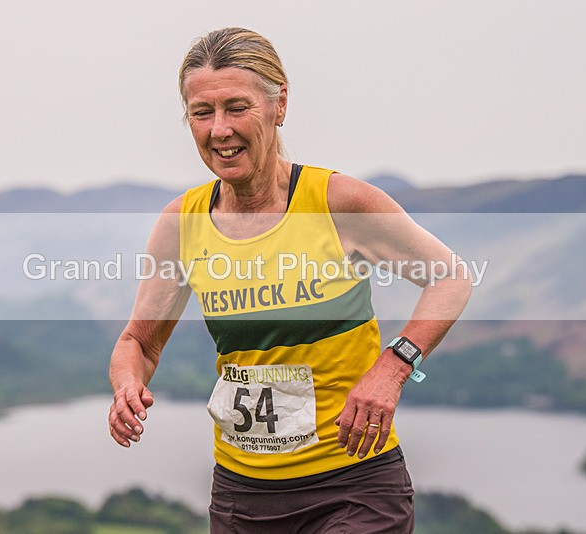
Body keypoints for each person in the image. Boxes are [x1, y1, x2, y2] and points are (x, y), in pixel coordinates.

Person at [108, 27, 472, 533]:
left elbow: (450, 276)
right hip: (241, 495)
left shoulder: (337, 201)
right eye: (202, 112)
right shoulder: (182, 222)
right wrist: (128, 384)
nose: (219, 130)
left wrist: (393, 366)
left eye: (237, 107)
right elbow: (139, 343)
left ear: (279, 105)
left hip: (353, 486)